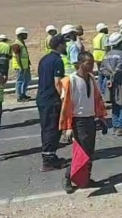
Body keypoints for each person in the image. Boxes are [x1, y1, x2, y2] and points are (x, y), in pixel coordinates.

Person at [60, 52, 108, 194]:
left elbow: (97, 99)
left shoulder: (91, 78)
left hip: (90, 118)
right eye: (88, 63)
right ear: (80, 63)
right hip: (78, 119)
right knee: (81, 152)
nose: (91, 66)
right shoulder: (70, 80)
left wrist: (101, 117)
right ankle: (68, 177)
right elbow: (66, 105)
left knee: (90, 151)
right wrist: (68, 127)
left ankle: (85, 178)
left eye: (92, 63)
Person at [37, 35, 68, 172]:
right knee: (53, 129)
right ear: (59, 45)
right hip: (51, 100)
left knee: (46, 128)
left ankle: (50, 155)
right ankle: (48, 160)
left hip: (42, 98)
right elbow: (57, 82)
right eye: (64, 44)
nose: (66, 46)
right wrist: (64, 97)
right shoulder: (57, 61)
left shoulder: (44, 59)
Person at [100, 32, 122, 136]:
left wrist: (109, 77)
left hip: (110, 83)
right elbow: (121, 69)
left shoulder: (107, 55)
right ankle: (121, 126)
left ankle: (116, 126)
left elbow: (102, 69)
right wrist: (114, 76)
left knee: (115, 104)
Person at [12, 27, 32, 102]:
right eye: (25, 34)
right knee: (20, 81)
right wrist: (21, 67)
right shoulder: (16, 44)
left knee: (27, 79)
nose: (26, 35)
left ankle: (23, 93)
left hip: (25, 66)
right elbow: (17, 57)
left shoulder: (21, 43)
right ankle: (19, 96)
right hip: (20, 67)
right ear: (20, 35)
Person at [92, 23, 109, 94]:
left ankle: (99, 88)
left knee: (100, 73)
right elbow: (107, 46)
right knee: (106, 73)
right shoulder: (105, 36)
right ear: (103, 29)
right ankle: (103, 89)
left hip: (96, 56)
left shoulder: (95, 37)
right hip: (103, 56)